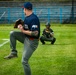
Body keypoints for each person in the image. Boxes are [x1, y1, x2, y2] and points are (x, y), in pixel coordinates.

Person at [4, 2, 40, 75]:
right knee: (12, 34)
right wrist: (21, 26)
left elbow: (35, 33)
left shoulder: (34, 18)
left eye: (23, 9)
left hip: (32, 42)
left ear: (26, 9)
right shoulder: (27, 17)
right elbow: (27, 28)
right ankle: (13, 53)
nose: (23, 10)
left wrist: (23, 30)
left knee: (24, 61)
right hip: (26, 38)